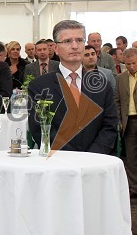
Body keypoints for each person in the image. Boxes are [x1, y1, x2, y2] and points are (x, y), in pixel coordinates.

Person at [28, 20, 118, 154]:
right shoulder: (39, 86)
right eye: (68, 41)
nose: (75, 46)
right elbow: (40, 128)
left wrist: (92, 155)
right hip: (58, 162)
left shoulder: (102, 84)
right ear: (56, 49)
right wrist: (70, 156)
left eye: (79, 40)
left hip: (95, 161)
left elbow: (110, 125)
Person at [115, 48, 137, 198]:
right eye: (128, 64)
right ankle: (134, 188)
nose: (131, 66)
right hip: (128, 122)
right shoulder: (120, 78)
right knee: (131, 157)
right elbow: (116, 101)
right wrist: (119, 120)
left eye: (134, 63)